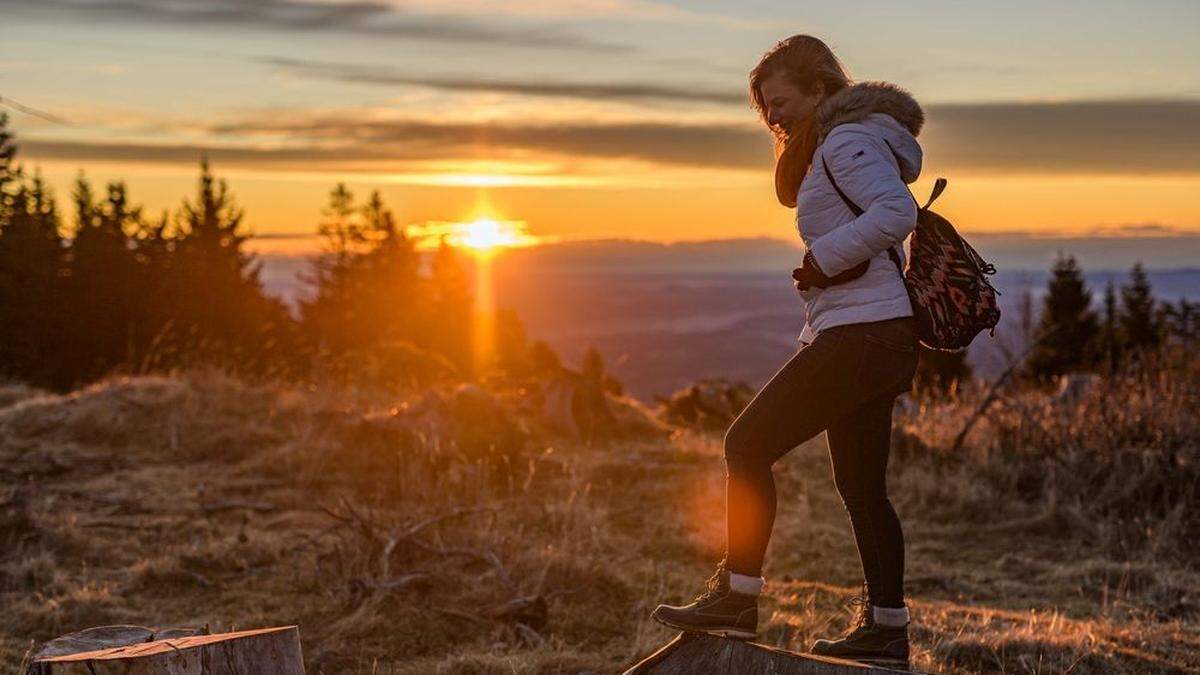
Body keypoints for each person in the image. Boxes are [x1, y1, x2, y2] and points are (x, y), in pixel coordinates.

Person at [651, 34, 925, 667]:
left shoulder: (846, 141)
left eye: (781, 101)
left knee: (745, 445)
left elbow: (896, 211)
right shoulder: (841, 142)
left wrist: (821, 261)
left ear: (820, 90)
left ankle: (738, 596)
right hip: (876, 332)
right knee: (860, 486)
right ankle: (886, 629)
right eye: (765, 108)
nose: (773, 117)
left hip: (863, 333)